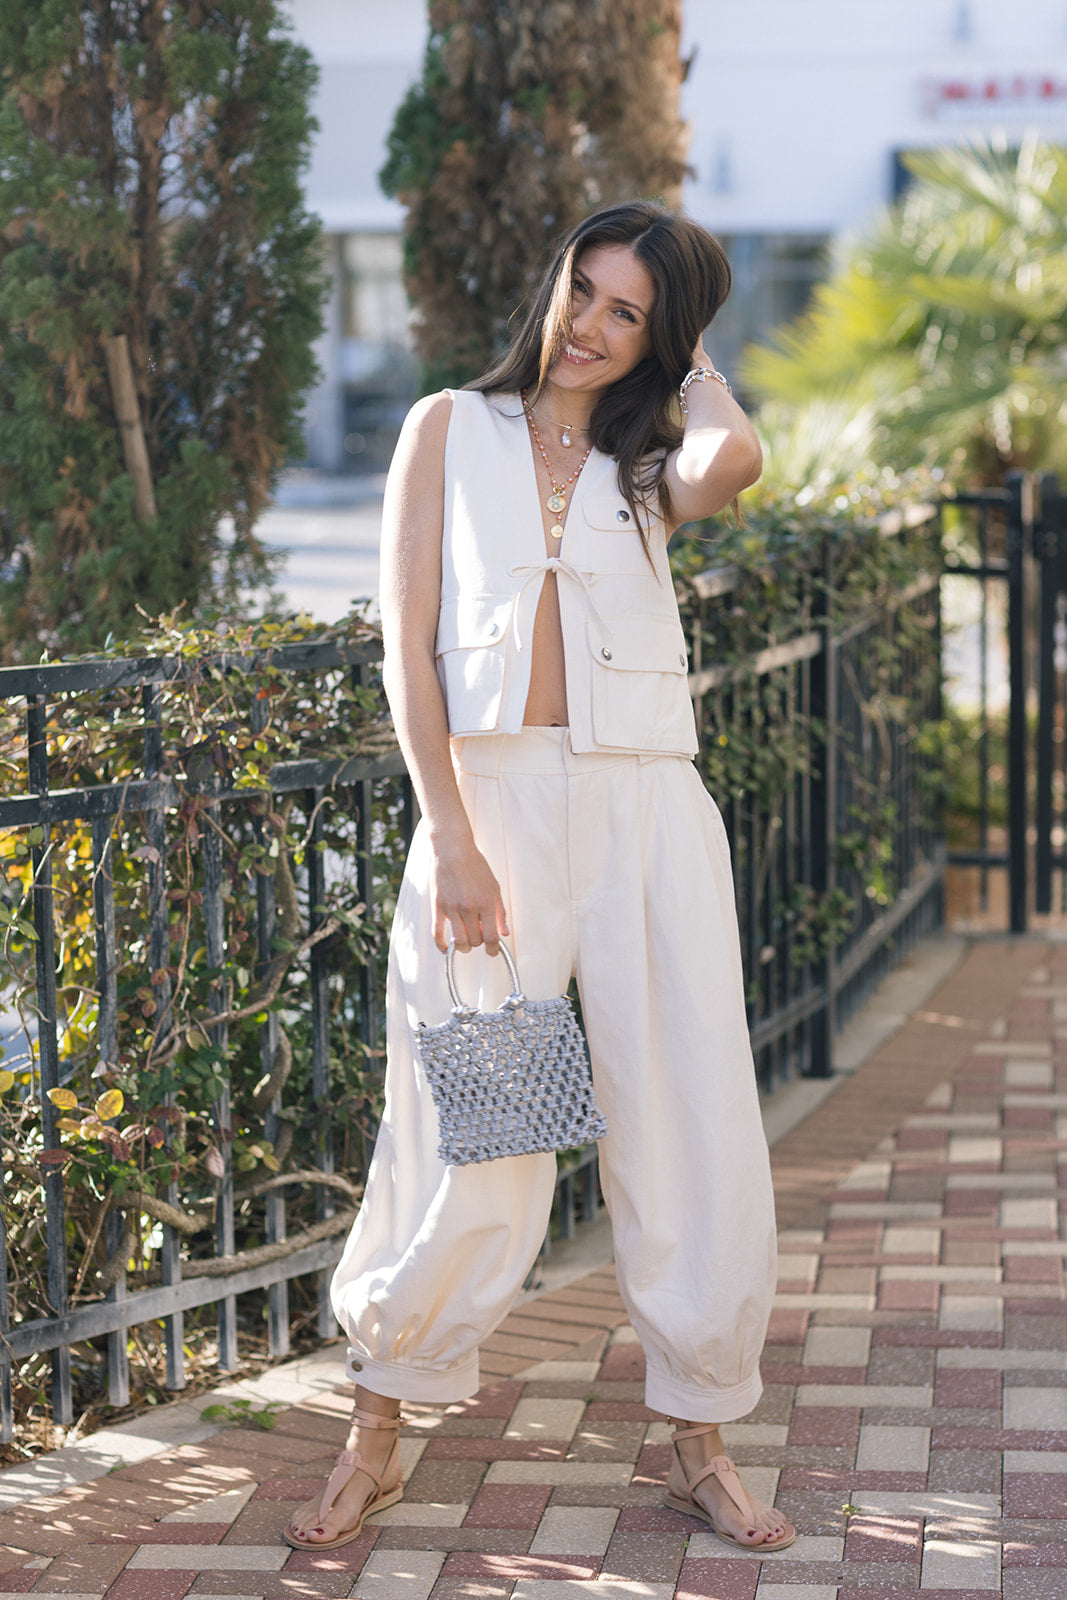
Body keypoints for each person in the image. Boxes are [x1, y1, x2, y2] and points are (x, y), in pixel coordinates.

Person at [284, 200, 794, 1555]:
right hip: (497, 829)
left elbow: (737, 454)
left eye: (631, 313)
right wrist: (449, 835)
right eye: (586, 290)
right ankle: (380, 1430)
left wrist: (693, 373)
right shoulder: (448, 428)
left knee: (685, 1118)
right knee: (483, 1133)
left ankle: (698, 1438)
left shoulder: (650, 463)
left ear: (661, 340)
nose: (590, 326)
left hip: (647, 814)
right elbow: (410, 653)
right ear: (551, 280)